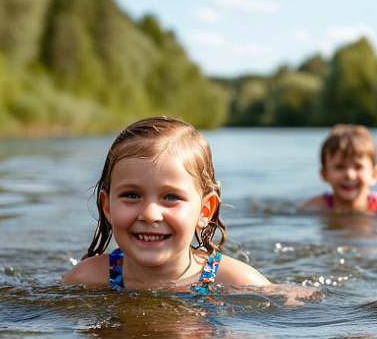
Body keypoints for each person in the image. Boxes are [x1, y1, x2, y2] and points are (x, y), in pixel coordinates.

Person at [62, 116, 271, 291]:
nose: (150, 214)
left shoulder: (236, 281)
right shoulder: (88, 279)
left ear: (204, 211)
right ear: (107, 207)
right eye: (132, 195)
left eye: (171, 197)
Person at [301, 124, 377, 219]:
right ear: (324, 174)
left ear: (374, 174)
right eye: (340, 167)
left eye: (358, 167)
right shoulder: (317, 206)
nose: (350, 175)